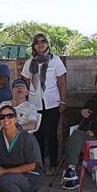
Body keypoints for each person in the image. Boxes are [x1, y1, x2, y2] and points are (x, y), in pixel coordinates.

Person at [21, 33, 67, 173]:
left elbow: (62, 83)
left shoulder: (55, 60)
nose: (40, 44)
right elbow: (24, 82)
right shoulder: (30, 62)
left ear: (47, 44)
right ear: (34, 46)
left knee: (51, 133)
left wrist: (63, 101)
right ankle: (40, 165)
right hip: (35, 104)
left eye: (43, 41)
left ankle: (53, 164)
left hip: (52, 102)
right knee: (38, 134)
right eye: (37, 42)